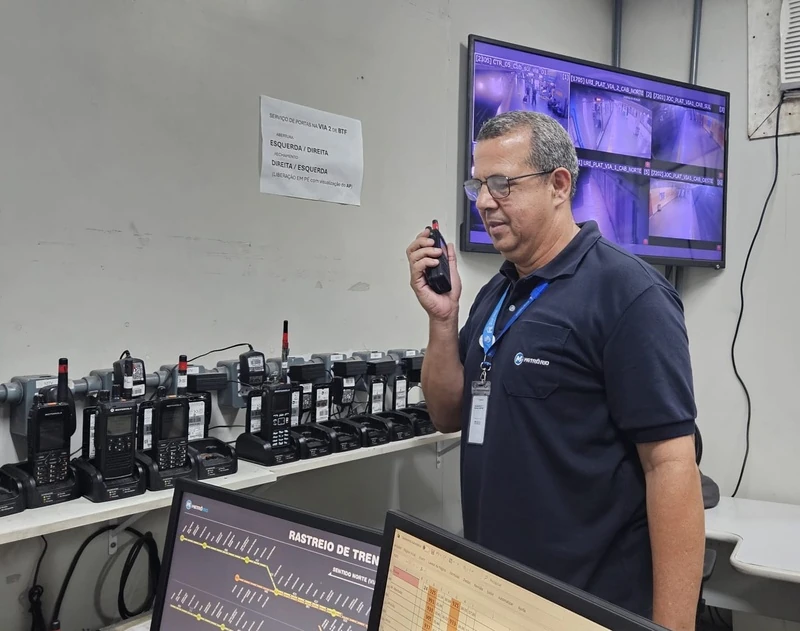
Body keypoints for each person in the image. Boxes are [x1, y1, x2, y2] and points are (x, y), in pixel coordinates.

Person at [406, 111, 704, 631]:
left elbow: (671, 468)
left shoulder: (629, 295)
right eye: (477, 183)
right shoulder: (496, 294)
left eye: (502, 184)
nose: (483, 201)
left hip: (588, 607)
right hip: (496, 596)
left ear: (558, 185)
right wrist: (443, 318)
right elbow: (447, 413)